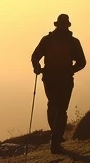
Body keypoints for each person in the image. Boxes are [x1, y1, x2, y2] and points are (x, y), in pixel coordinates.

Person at [31, 13, 86, 153]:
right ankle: (56, 140)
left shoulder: (47, 40)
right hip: (65, 79)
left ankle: (55, 138)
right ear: (67, 25)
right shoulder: (73, 42)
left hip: (50, 78)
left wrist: (37, 67)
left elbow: (35, 56)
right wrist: (71, 70)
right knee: (61, 109)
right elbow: (82, 62)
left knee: (53, 106)